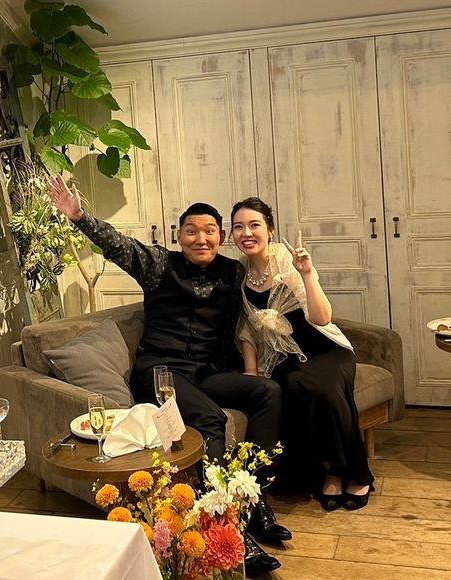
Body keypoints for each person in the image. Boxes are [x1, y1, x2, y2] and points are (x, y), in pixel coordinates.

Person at [48, 176, 291, 574]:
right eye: (191, 231)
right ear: (178, 237)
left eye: (210, 231)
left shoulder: (233, 273)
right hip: (161, 372)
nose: (201, 239)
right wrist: (79, 217)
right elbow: (119, 246)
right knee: (210, 418)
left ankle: (254, 497)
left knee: (268, 392)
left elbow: (267, 277)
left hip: (207, 372)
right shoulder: (159, 264)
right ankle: (223, 522)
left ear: (221, 237)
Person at [230, 197, 374, 511]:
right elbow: (247, 328)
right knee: (295, 387)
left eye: (254, 225)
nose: (247, 233)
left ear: (270, 229)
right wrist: (251, 371)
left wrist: (307, 274)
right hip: (284, 357)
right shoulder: (238, 274)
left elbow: (322, 318)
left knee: (325, 387)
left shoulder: (286, 260)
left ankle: (349, 472)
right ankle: (326, 471)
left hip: (325, 348)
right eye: (239, 227)